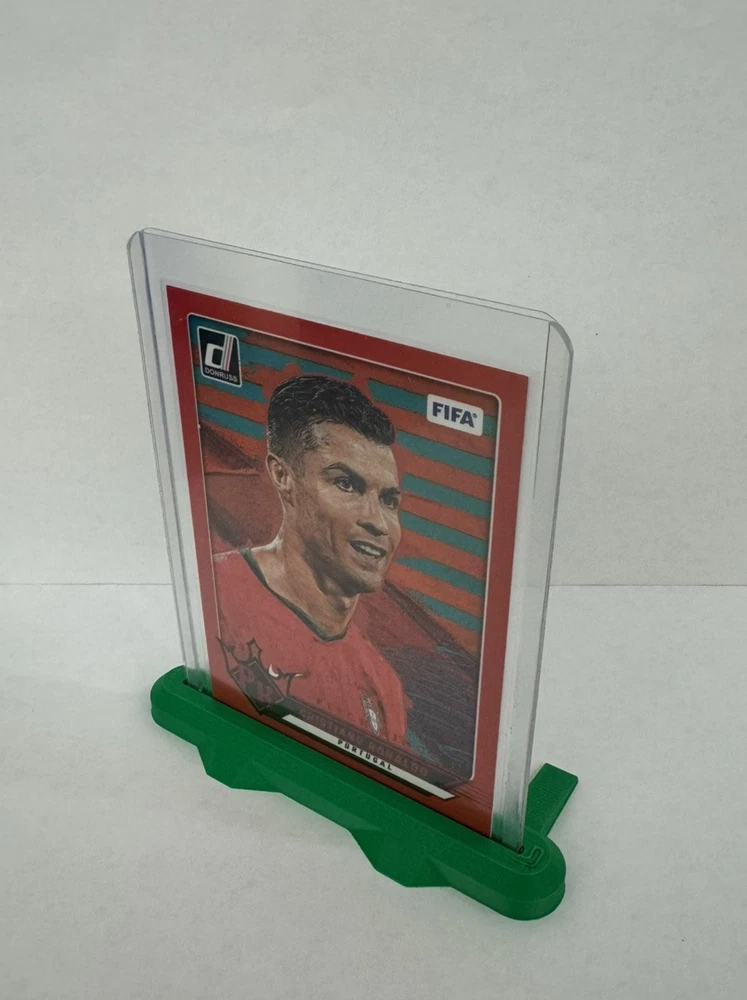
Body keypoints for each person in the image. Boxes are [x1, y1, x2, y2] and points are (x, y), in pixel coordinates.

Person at [213, 374, 410, 746]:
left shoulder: (384, 687)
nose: (378, 522)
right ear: (283, 476)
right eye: (346, 484)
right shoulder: (211, 591)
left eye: (389, 500)